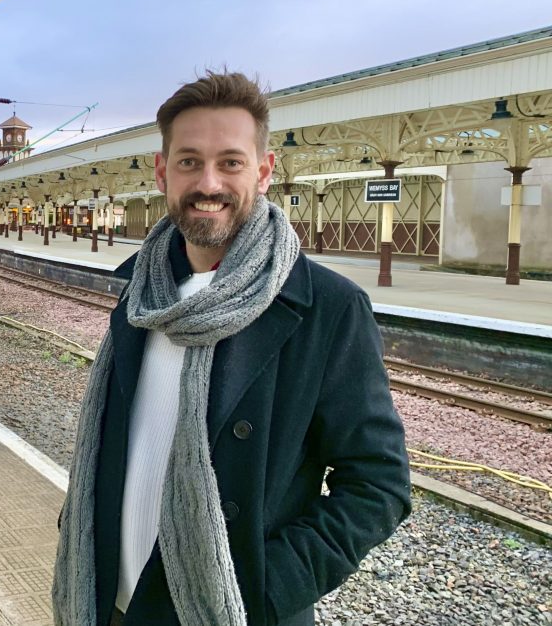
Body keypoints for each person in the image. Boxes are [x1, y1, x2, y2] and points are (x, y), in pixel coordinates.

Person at [53, 71, 411, 626]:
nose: (209, 183)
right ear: (162, 171)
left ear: (264, 172)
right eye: (190, 161)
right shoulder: (141, 293)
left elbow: (378, 485)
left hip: (233, 610)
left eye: (231, 162)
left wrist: (268, 588)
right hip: (111, 603)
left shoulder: (327, 308)